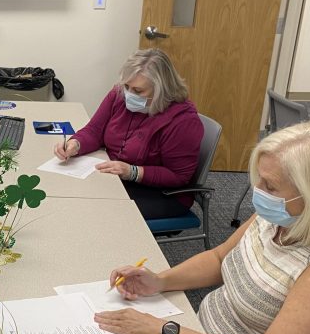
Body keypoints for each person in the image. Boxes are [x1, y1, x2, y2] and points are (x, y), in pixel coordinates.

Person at [95, 122, 310, 334]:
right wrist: (160, 281)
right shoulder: (284, 217)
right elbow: (219, 258)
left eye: (270, 186)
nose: (257, 191)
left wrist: (164, 330)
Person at [55, 48, 203, 219]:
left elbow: (178, 176)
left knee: (95, 212)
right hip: (118, 178)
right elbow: (95, 130)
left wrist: (133, 172)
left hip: (161, 193)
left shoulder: (183, 121)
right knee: (70, 193)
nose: (129, 95)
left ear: (161, 90)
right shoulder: (119, 95)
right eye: (127, 86)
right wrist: (75, 144)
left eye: (138, 91)